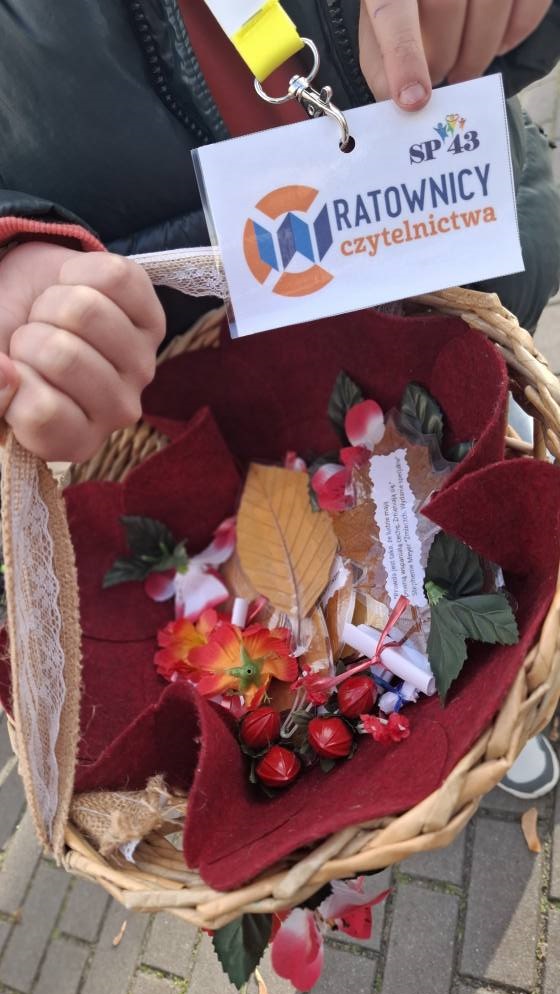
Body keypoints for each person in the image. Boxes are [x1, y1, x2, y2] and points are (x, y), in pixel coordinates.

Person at [0, 0, 557, 791]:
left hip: (463, 272)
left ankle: (497, 688)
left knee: (489, 479)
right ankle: (455, 700)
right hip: (210, 363)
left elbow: (515, 42)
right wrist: (15, 243)